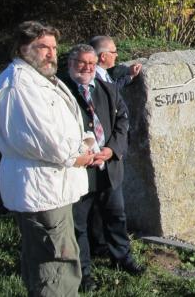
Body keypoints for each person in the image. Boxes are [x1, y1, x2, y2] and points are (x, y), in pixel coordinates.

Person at [0, 21, 96, 297]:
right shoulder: (20, 85)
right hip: (43, 188)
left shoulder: (40, 80)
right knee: (55, 266)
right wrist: (79, 156)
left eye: (54, 47)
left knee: (52, 260)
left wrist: (84, 143)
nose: (51, 53)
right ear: (24, 48)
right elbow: (46, 140)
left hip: (51, 186)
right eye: (43, 47)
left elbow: (63, 126)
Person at [62, 44, 145, 292]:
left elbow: (123, 119)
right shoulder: (62, 92)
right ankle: (83, 272)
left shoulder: (106, 88)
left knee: (115, 216)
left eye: (91, 63)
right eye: (81, 63)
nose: (88, 67)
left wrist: (112, 149)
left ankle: (122, 258)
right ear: (70, 64)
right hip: (80, 171)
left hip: (108, 167)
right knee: (79, 225)